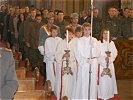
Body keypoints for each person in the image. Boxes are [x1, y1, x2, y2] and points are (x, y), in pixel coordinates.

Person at [74, 22, 100, 99]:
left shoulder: (94, 40)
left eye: (89, 29)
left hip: (93, 63)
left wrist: (94, 46)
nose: (87, 31)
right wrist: (85, 60)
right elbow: (77, 53)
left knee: (92, 82)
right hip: (84, 64)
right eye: (85, 30)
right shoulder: (79, 40)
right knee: (84, 81)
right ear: (82, 30)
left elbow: (98, 52)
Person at [54, 26, 77, 100]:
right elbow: (57, 55)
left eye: (71, 34)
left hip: (71, 65)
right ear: (65, 35)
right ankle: (61, 96)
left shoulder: (75, 43)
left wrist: (70, 55)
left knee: (71, 82)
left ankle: (71, 97)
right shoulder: (60, 43)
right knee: (63, 82)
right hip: (63, 64)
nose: (69, 36)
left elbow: (77, 54)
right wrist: (63, 55)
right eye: (68, 34)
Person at [98, 28, 118, 100]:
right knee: (102, 80)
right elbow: (97, 54)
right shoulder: (99, 43)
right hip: (102, 65)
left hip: (110, 64)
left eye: (107, 33)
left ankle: (110, 93)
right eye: (104, 33)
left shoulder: (111, 43)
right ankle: (102, 94)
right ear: (102, 34)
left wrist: (110, 59)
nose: (106, 35)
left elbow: (115, 53)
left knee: (109, 79)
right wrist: (104, 59)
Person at [44, 25, 62, 92]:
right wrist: (52, 58)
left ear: (57, 32)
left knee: (57, 74)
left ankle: (57, 88)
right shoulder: (47, 40)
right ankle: (50, 88)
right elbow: (47, 51)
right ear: (51, 32)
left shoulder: (60, 40)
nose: (54, 33)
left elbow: (61, 50)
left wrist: (57, 57)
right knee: (51, 74)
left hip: (58, 60)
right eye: (53, 32)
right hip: (50, 61)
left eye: (55, 32)